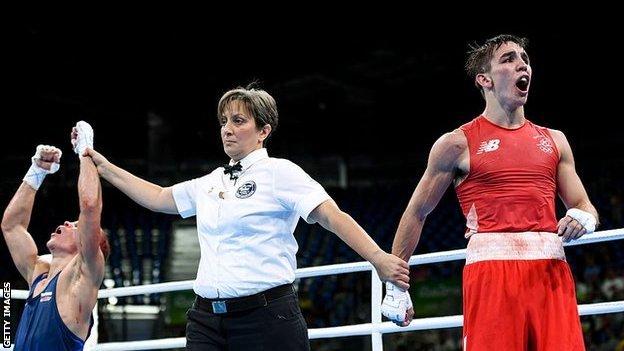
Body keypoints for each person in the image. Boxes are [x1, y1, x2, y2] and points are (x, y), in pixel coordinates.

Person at [85, 85, 410, 350]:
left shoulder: (280, 172)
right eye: (224, 121)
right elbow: (158, 197)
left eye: (238, 121)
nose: (227, 129)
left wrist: (378, 257)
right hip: (206, 321)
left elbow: (330, 215)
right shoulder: (212, 180)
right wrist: (103, 166)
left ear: (263, 131)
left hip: (266, 320)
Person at [381, 34, 599, 350]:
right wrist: (396, 286)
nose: (521, 64)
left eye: (524, 58)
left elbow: (583, 204)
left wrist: (584, 217)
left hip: (552, 273)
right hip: (492, 275)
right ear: (485, 79)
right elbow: (417, 212)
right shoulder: (456, 144)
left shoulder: (555, 140)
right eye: (508, 59)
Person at [1, 121, 110, 350]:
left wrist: (85, 152)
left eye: (76, 226)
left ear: (87, 244)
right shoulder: (38, 273)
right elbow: (11, 227)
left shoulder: (81, 281)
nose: (67, 222)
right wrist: (36, 173)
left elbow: (90, 206)